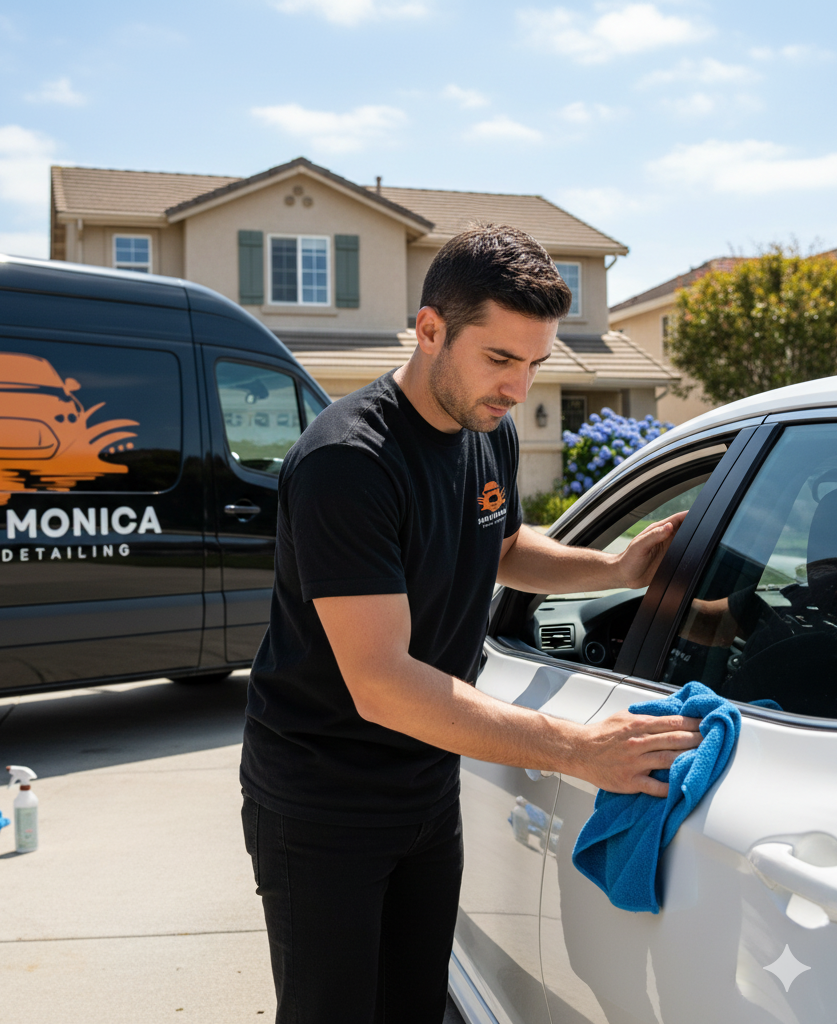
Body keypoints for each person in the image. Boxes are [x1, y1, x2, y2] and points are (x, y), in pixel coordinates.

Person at [240, 225, 701, 1024]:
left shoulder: (489, 428)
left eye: (535, 364)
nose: (519, 387)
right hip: (324, 800)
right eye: (500, 359)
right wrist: (573, 749)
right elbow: (382, 683)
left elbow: (504, 544)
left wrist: (614, 570)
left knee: (415, 1006)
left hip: (426, 785)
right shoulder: (349, 462)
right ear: (429, 331)